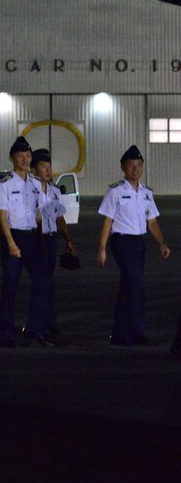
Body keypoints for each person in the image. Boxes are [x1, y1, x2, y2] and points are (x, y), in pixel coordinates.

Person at [96, 145, 170, 346]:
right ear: (123, 167)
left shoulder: (146, 193)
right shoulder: (115, 191)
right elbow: (107, 221)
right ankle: (136, 332)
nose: (135, 169)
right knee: (136, 286)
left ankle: (119, 333)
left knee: (128, 287)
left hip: (138, 243)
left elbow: (152, 222)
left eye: (139, 165)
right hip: (121, 241)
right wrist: (102, 248)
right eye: (131, 166)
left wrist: (161, 243)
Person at [0, 137, 49, 347]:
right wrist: (10, 243)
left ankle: (34, 328)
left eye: (28, 156)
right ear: (12, 158)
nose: (25, 160)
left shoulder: (36, 183)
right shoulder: (5, 184)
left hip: (32, 238)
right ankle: (7, 333)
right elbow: (2, 215)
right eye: (20, 156)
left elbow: (40, 212)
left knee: (42, 284)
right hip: (13, 237)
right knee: (10, 288)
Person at [32, 148, 75, 338]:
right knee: (42, 284)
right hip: (35, 240)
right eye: (43, 167)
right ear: (34, 170)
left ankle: (47, 323)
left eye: (50, 167)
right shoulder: (29, 190)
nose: (48, 171)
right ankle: (40, 325)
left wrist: (68, 240)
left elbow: (60, 218)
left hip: (50, 240)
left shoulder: (55, 191)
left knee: (47, 283)